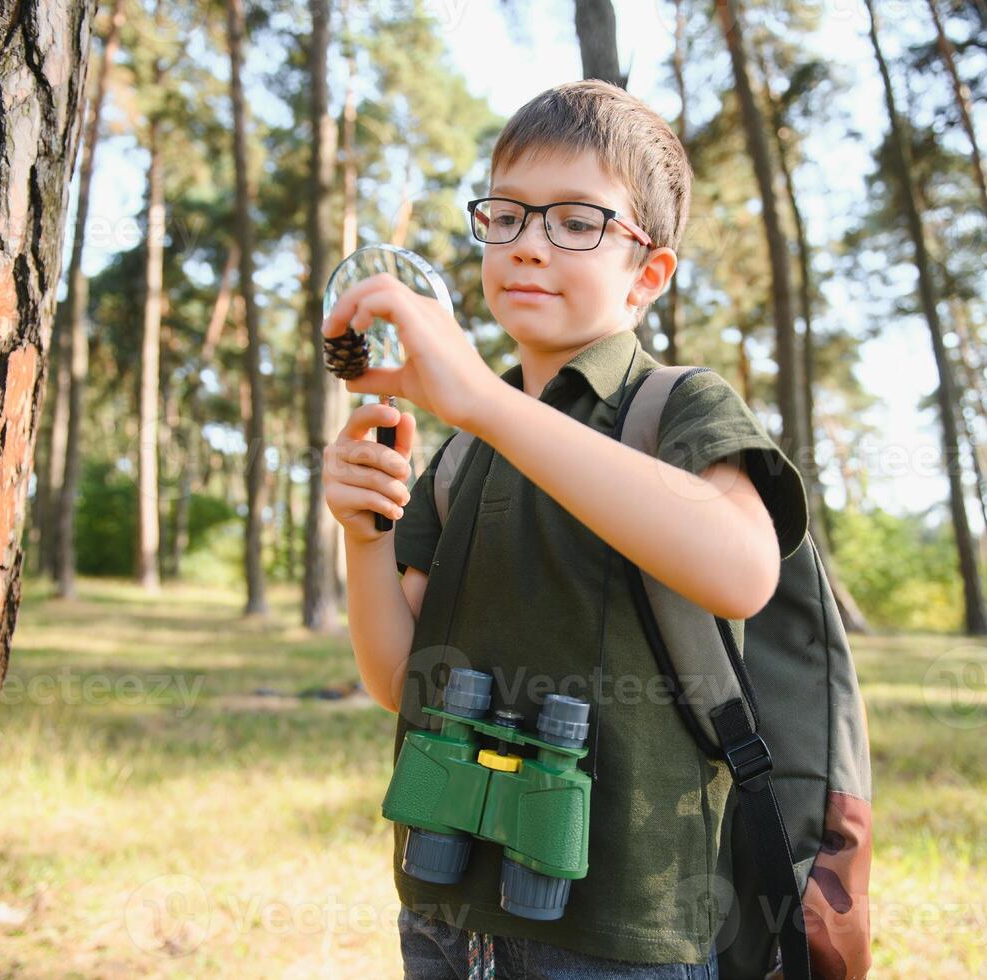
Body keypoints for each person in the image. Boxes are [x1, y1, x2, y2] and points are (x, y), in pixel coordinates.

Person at [322, 80, 809, 980]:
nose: (528, 247)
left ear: (647, 274)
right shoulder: (465, 452)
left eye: (576, 222)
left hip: (622, 930)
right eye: (504, 216)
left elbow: (743, 569)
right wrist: (363, 537)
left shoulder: (675, 408)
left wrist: (483, 406)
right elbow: (399, 680)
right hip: (444, 909)